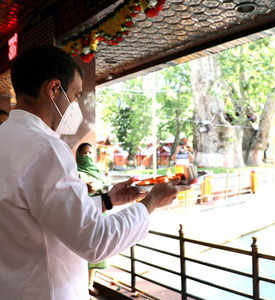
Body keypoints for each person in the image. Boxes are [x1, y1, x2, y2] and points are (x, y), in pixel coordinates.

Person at [0, 45, 188, 300]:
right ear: (54, 89)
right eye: (76, 96)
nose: (76, 105)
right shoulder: (47, 149)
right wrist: (151, 202)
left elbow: (39, 210)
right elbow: (96, 240)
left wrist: (108, 200)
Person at [76, 142, 110, 288]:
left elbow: (106, 187)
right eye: (84, 153)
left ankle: (90, 285)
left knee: (98, 249)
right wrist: (85, 188)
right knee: (84, 251)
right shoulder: (75, 171)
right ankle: (82, 286)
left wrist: (101, 187)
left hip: (100, 213)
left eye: (90, 153)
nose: (87, 156)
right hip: (85, 214)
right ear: (78, 155)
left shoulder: (97, 171)